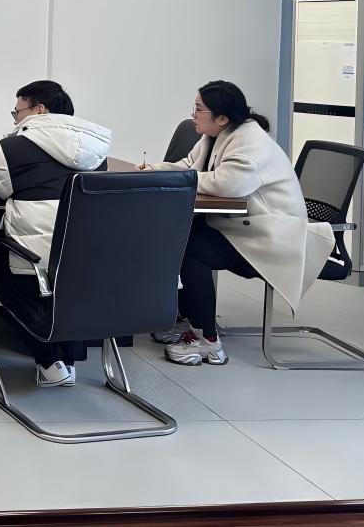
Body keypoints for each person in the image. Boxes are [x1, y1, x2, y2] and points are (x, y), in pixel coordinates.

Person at [142, 80, 333, 368]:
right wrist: (154, 171)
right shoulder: (215, 135)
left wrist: (174, 179)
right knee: (175, 236)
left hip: (273, 237)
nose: (193, 114)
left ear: (222, 117)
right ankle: (186, 319)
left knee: (190, 248)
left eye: (198, 109)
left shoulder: (250, 142)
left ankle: (208, 341)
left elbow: (227, 184)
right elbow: (188, 167)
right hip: (242, 228)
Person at [0, 80, 111, 387]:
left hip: (32, 261)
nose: (15, 120)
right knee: (65, 275)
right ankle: (67, 358)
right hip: (88, 260)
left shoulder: (13, 148)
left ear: (39, 110)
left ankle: (50, 359)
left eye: (17, 112)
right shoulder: (97, 151)